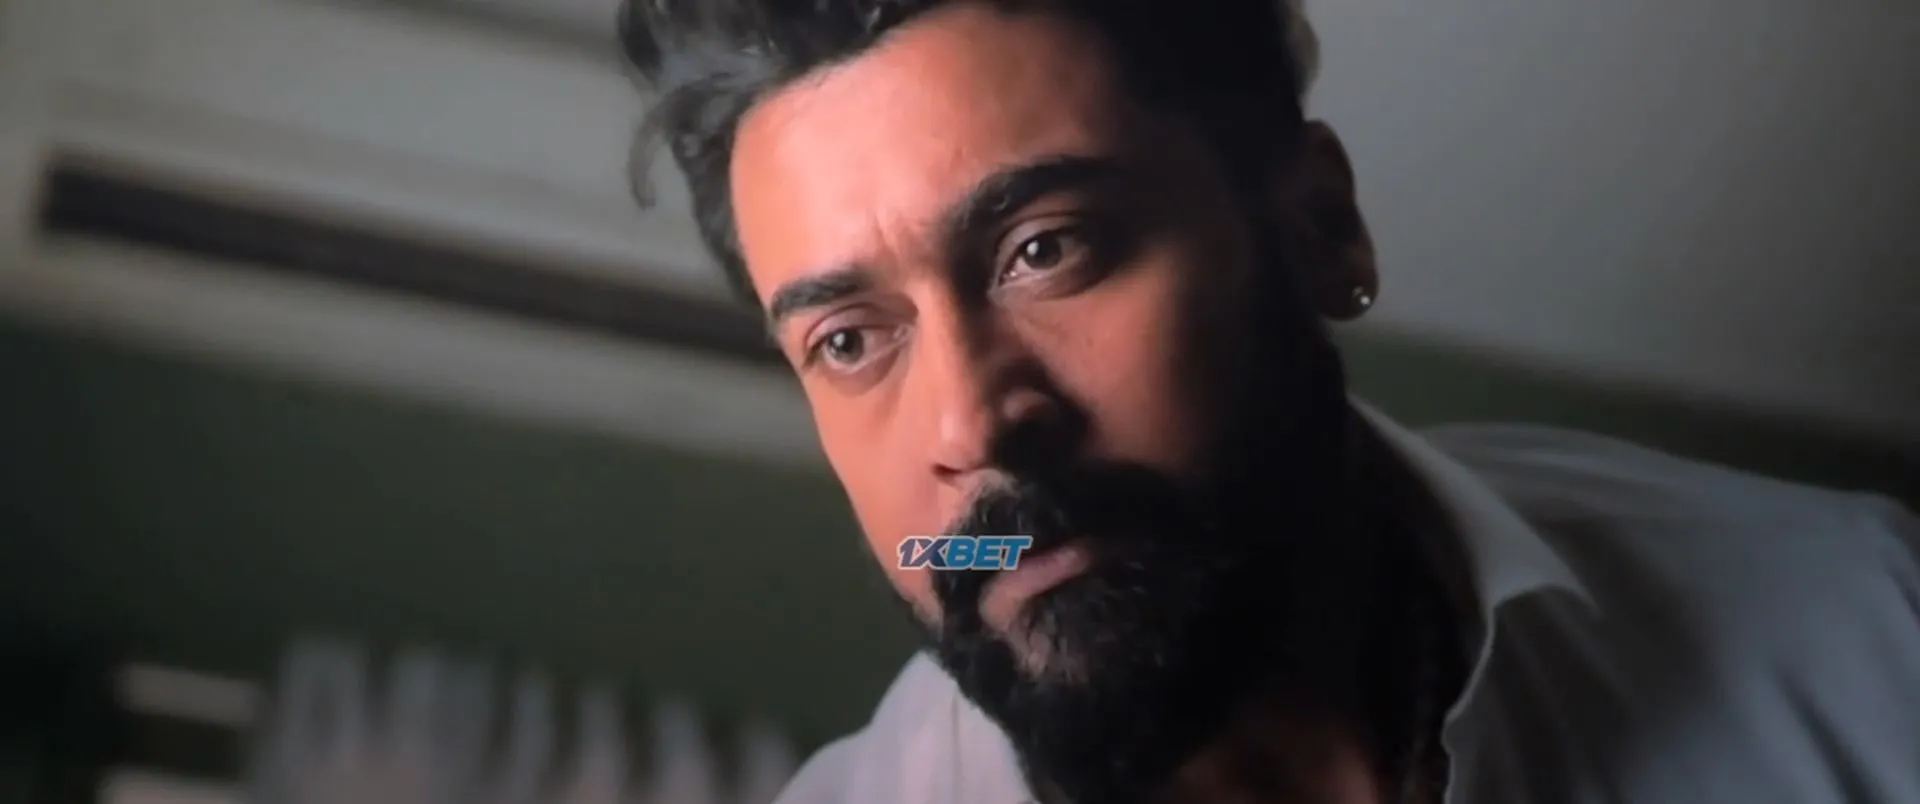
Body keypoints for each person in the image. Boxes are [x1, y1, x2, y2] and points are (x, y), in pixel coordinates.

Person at [616, 2, 1920, 802]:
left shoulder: (1867, 633)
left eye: (1046, 250)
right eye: (850, 341)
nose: (970, 430)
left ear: (1319, 229)